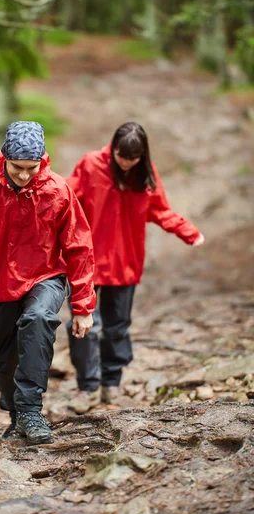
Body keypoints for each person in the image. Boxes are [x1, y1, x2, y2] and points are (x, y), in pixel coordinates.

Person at [0, 121, 95, 444]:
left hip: (45, 276)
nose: (25, 175)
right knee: (4, 361)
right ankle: (17, 415)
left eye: (32, 167)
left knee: (39, 320)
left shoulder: (58, 190)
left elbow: (79, 247)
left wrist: (83, 306)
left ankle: (30, 410)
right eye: (17, 168)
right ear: (4, 158)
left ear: (43, 159)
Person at [66, 122, 205, 414]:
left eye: (133, 158)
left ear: (142, 155)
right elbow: (66, 201)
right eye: (121, 156)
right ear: (113, 148)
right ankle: (87, 386)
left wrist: (187, 230)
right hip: (86, 261)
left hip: (124, 261)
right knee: (84, 325)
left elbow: (158, 209)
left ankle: (111, 382)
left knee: (118, 325)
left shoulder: (144, 174)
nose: (126, 162)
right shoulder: (91, 165)